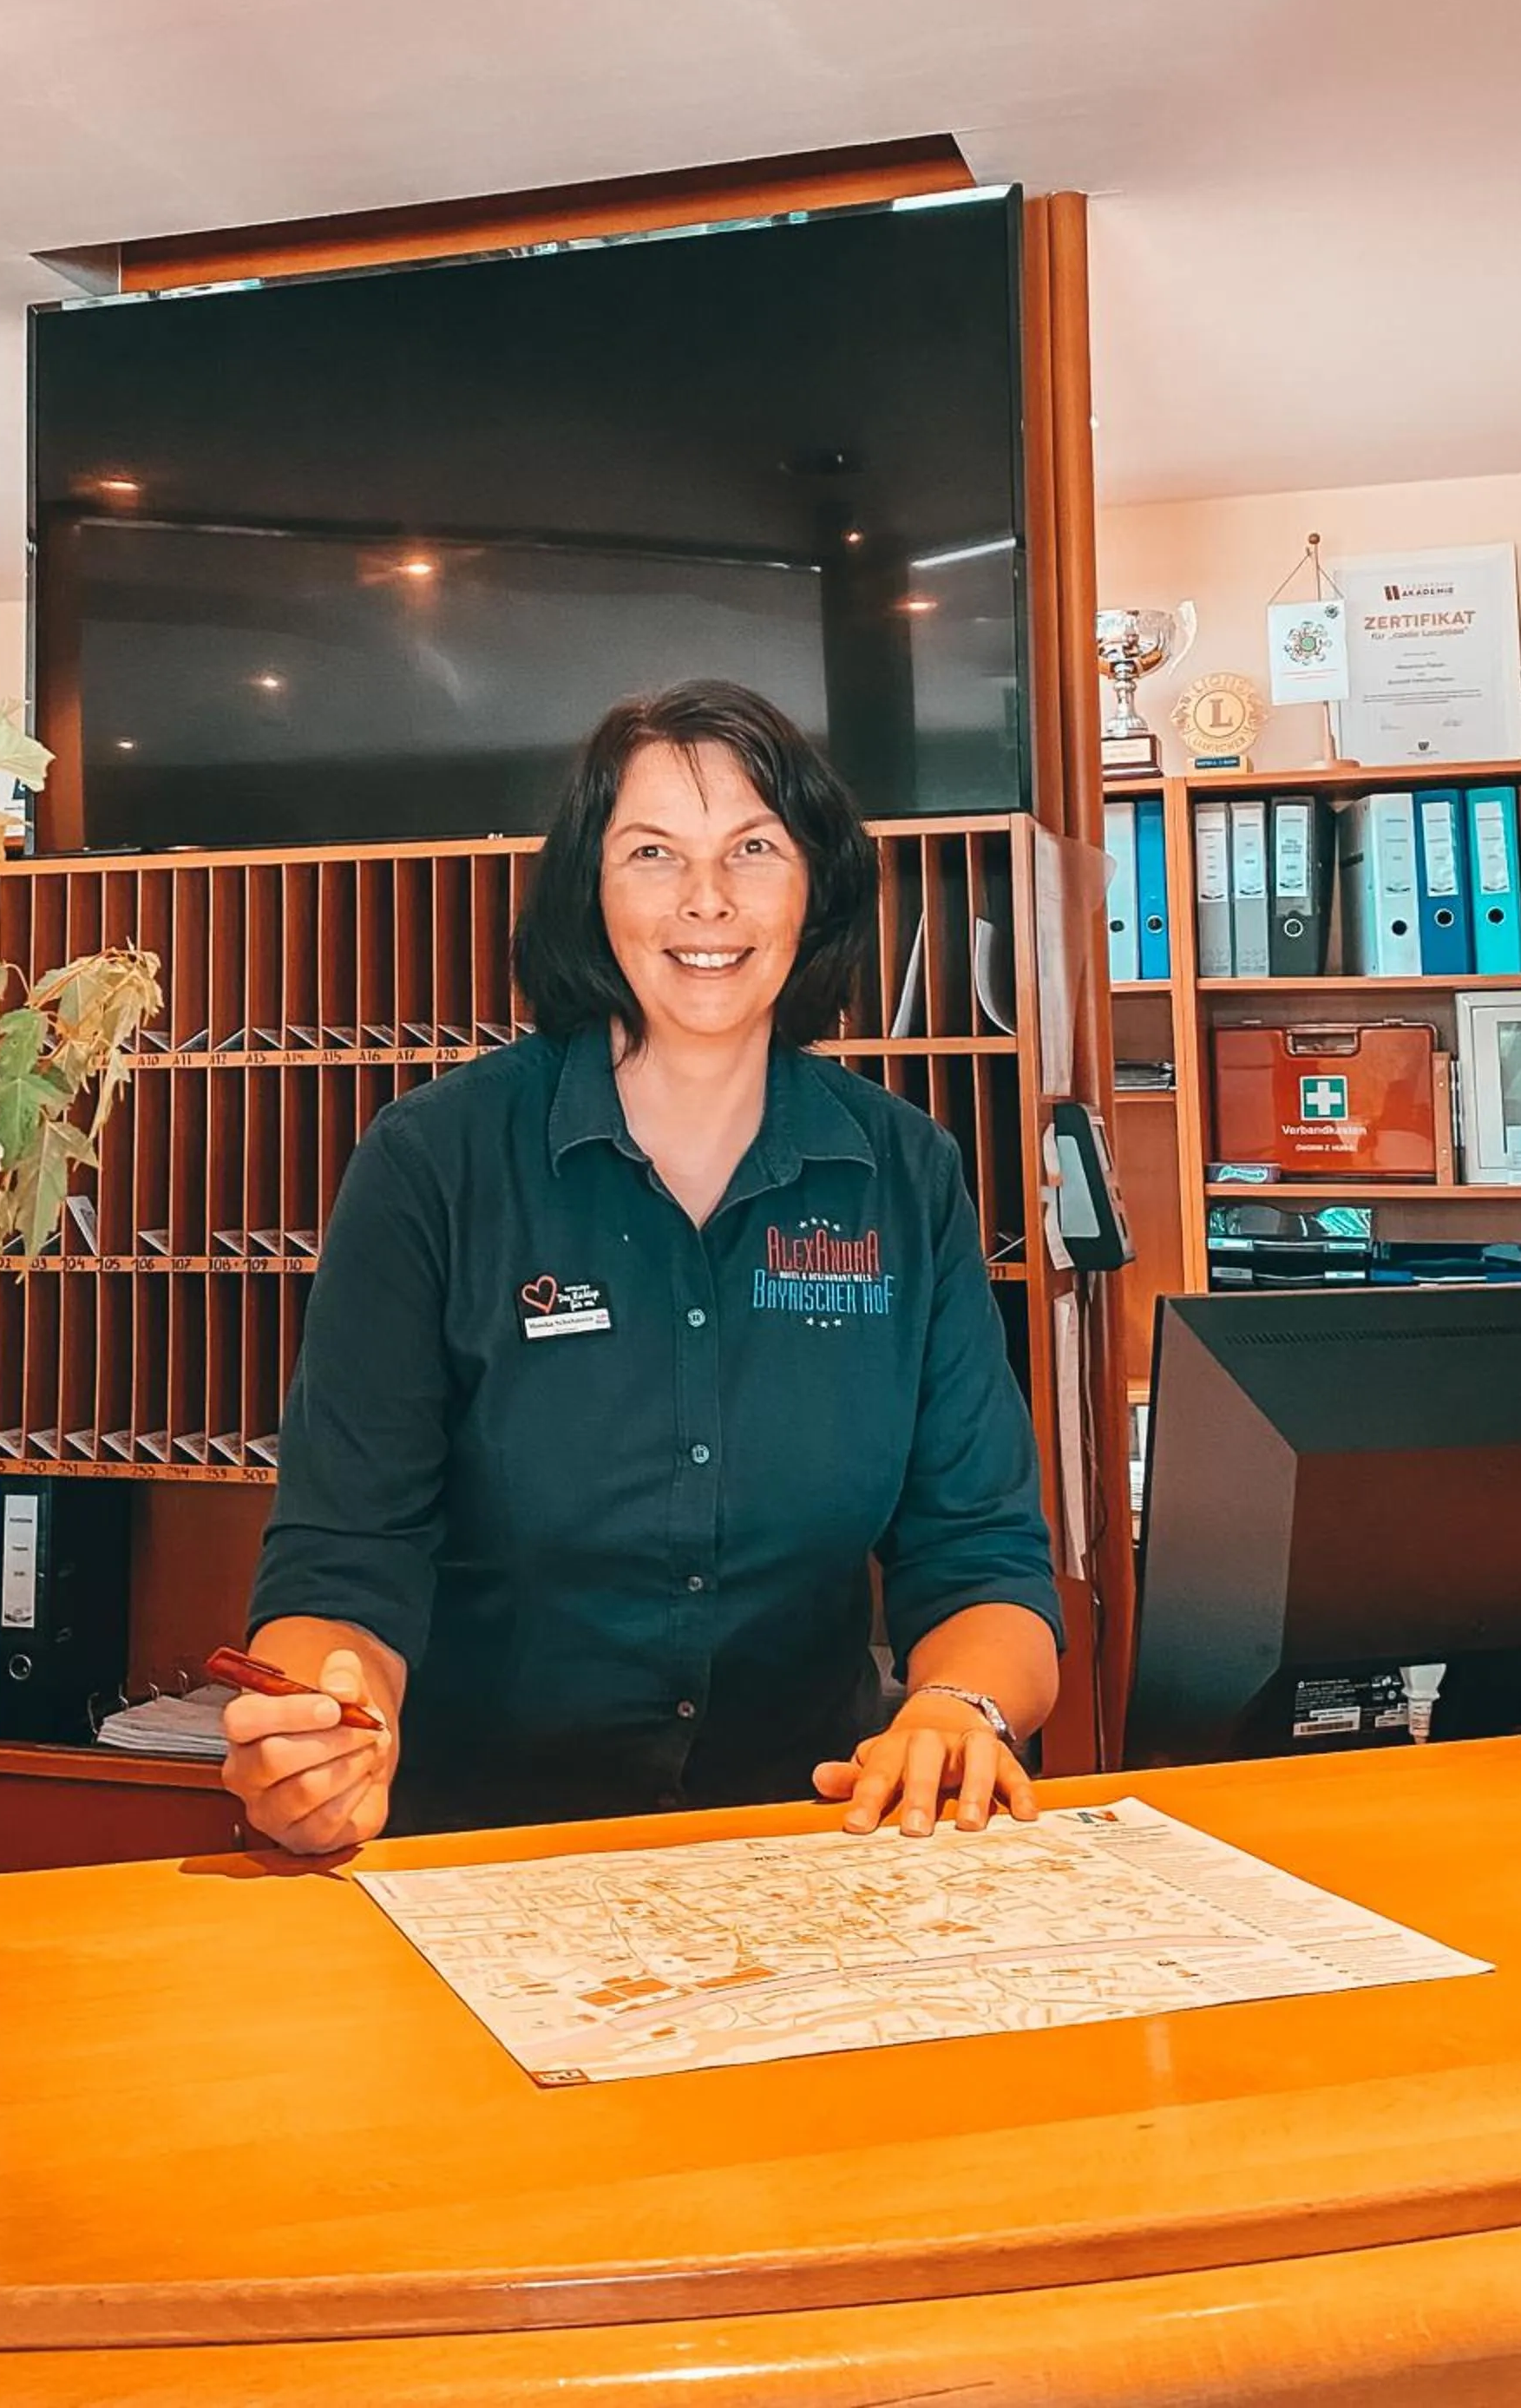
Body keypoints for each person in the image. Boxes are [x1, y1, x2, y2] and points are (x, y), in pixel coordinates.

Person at [224, 679, 1062, 1852]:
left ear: (814, 884)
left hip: (812, 1850)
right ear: (591, 892)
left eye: (754, 850)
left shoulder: (902, 1172)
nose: (707, 901)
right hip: (479, 1858)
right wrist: (327, 1723)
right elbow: (344, 1556)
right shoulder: (434, 1163)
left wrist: (956, 1708)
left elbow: (981, 1553)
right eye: (653, 853)